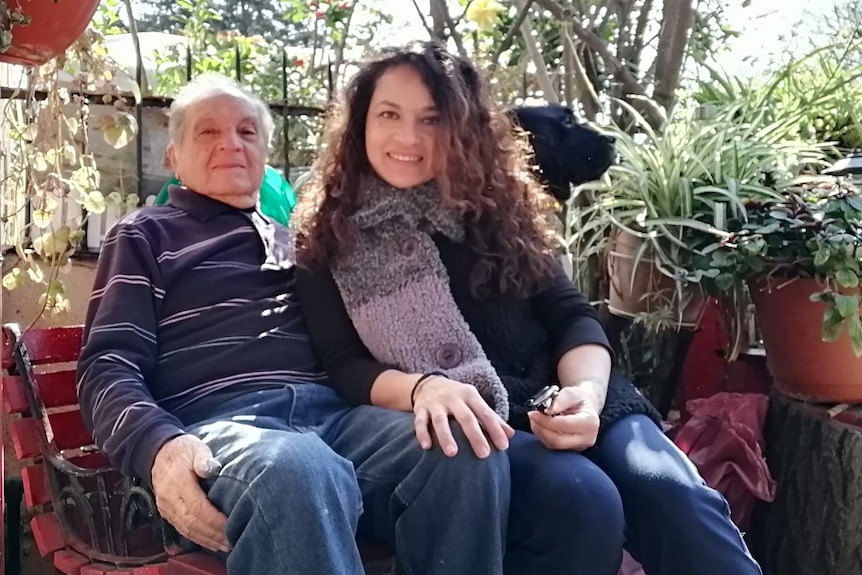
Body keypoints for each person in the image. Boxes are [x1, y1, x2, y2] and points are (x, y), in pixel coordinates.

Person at [292, 40, 764, 575]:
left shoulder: (499, 209)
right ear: (359, 123)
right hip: (476, 422)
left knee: (672, 492)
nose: (408, 137)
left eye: (431, 119)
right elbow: (343, 365)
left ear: (462, 127)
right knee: (581, 501)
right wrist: (424, 387)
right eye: (389, 115)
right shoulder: (328, 235)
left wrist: (585, 396)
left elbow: (572, 317)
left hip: (572, 394)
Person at [75, 72, 511, 575]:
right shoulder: (144, 235)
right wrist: (158, 449)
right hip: (223, 430)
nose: (231, 144)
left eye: (246, 131)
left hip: (335, 422)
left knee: (464, 446)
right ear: (172, 155)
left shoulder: (302, 242)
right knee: (299, 468)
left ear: (265, 151)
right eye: (208, 131)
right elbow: (107, 364)